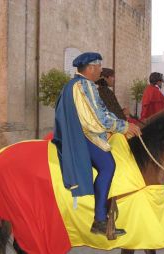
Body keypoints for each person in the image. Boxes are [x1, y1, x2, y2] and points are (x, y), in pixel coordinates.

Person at [52, 52, 141, 237]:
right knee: (108, 166)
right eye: (99, 67)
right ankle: (99, 219)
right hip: (85, 136)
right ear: (91, 67)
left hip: (78, 132)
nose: (101, 70)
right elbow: (98, 117)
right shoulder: (86, 85)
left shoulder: (71, 85)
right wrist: (124, 126)